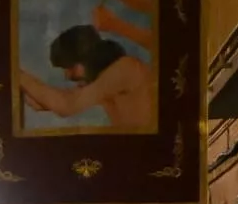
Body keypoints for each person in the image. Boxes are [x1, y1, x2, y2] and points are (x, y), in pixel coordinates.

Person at [19, 23, 154, 131]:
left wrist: (17, 74)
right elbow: (41, 104)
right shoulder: (103, 82)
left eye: (70, 68)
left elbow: (66, 105)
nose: (68, 76)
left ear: (86, 58)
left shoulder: (125, 69)